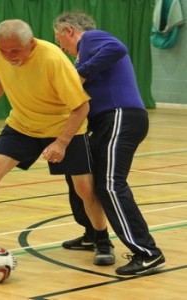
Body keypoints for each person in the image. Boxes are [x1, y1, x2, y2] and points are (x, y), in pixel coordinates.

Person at [0, 19, 115, 266]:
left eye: (15, 50)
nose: (8, 56)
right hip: (22, 125)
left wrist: (61, 142)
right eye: (3, 50)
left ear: (31, 43)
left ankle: (102, 241)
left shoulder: (52, 59)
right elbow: (0, 77)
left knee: (84, 189)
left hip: (63, 125)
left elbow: (81, 107)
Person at [53, 12, 166, 276]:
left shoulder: (91, 39)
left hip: (119, 116)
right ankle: (93, 233)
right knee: (78, 172)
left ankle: (148, 253)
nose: (61, 48)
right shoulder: (86, 52)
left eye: (60, 40)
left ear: (68, 31)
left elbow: (117, 47)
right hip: (103, 122)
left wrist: (77, 73)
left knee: (111, 186)